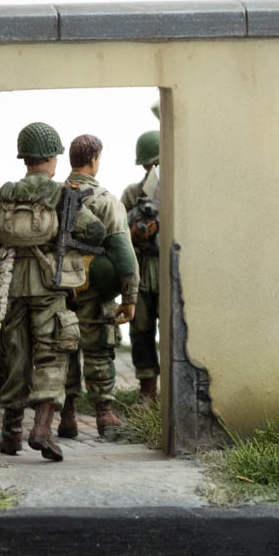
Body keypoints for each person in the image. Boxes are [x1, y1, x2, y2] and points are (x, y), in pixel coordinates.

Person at [0, 122, 103, 461]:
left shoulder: (7, 192)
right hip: (49, 282)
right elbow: (96, 231)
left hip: (12, 283)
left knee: (14, 354)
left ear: (25, 158)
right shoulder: (61, 194)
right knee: (52, 351)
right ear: (52, 158)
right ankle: (41, 430)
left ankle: (10, 433)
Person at [59, 134, 139, 437]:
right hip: (94, 290)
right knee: (98, 351)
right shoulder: (106, 201)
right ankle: (104, 415)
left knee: (64, 350)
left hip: (58, 288)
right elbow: (124, 253)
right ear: (94, 160)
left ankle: (67, 416)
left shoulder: (55, 196)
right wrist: (130, 297)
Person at [121, 130, 161, 407]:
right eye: (149, 165)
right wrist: (134, 230)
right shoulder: (132, 194)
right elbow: (118, 230)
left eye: (156, 165)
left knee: (174, 332)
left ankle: (174, 388)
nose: (152, 170)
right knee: (141, 329)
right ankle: (147, 390)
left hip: (168, 269)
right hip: (142, 268)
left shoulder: (176, 193)